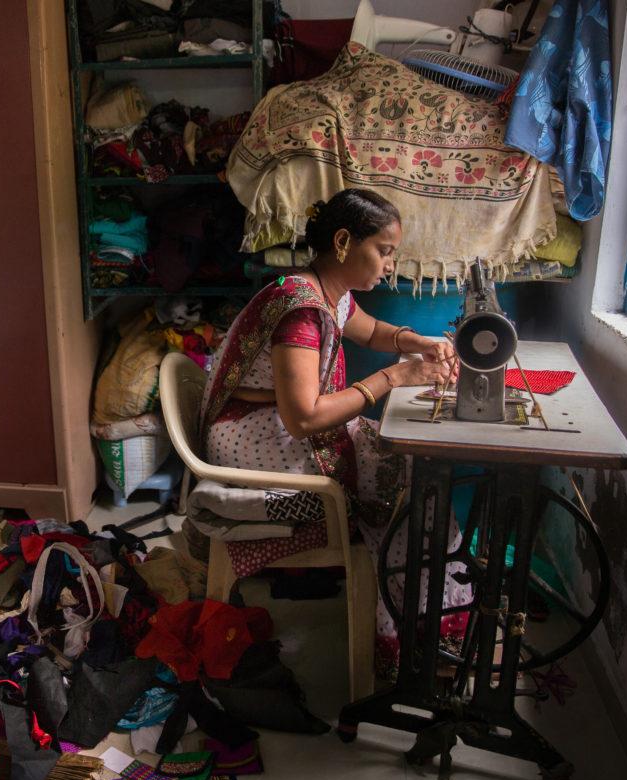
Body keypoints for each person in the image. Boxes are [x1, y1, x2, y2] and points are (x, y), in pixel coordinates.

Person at [200, 188, 471, 677]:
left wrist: (419, 342)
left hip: (275, 424)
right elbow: (302, 419)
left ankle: (425, 624)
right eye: (384, 251)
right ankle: (413, 638)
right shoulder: (301, 309)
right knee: (414, 484)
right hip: (254, 437)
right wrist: (394, 377)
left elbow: (370, 331)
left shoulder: (328, 292)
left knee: (412, 469)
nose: (390, 264)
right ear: (344, 242)